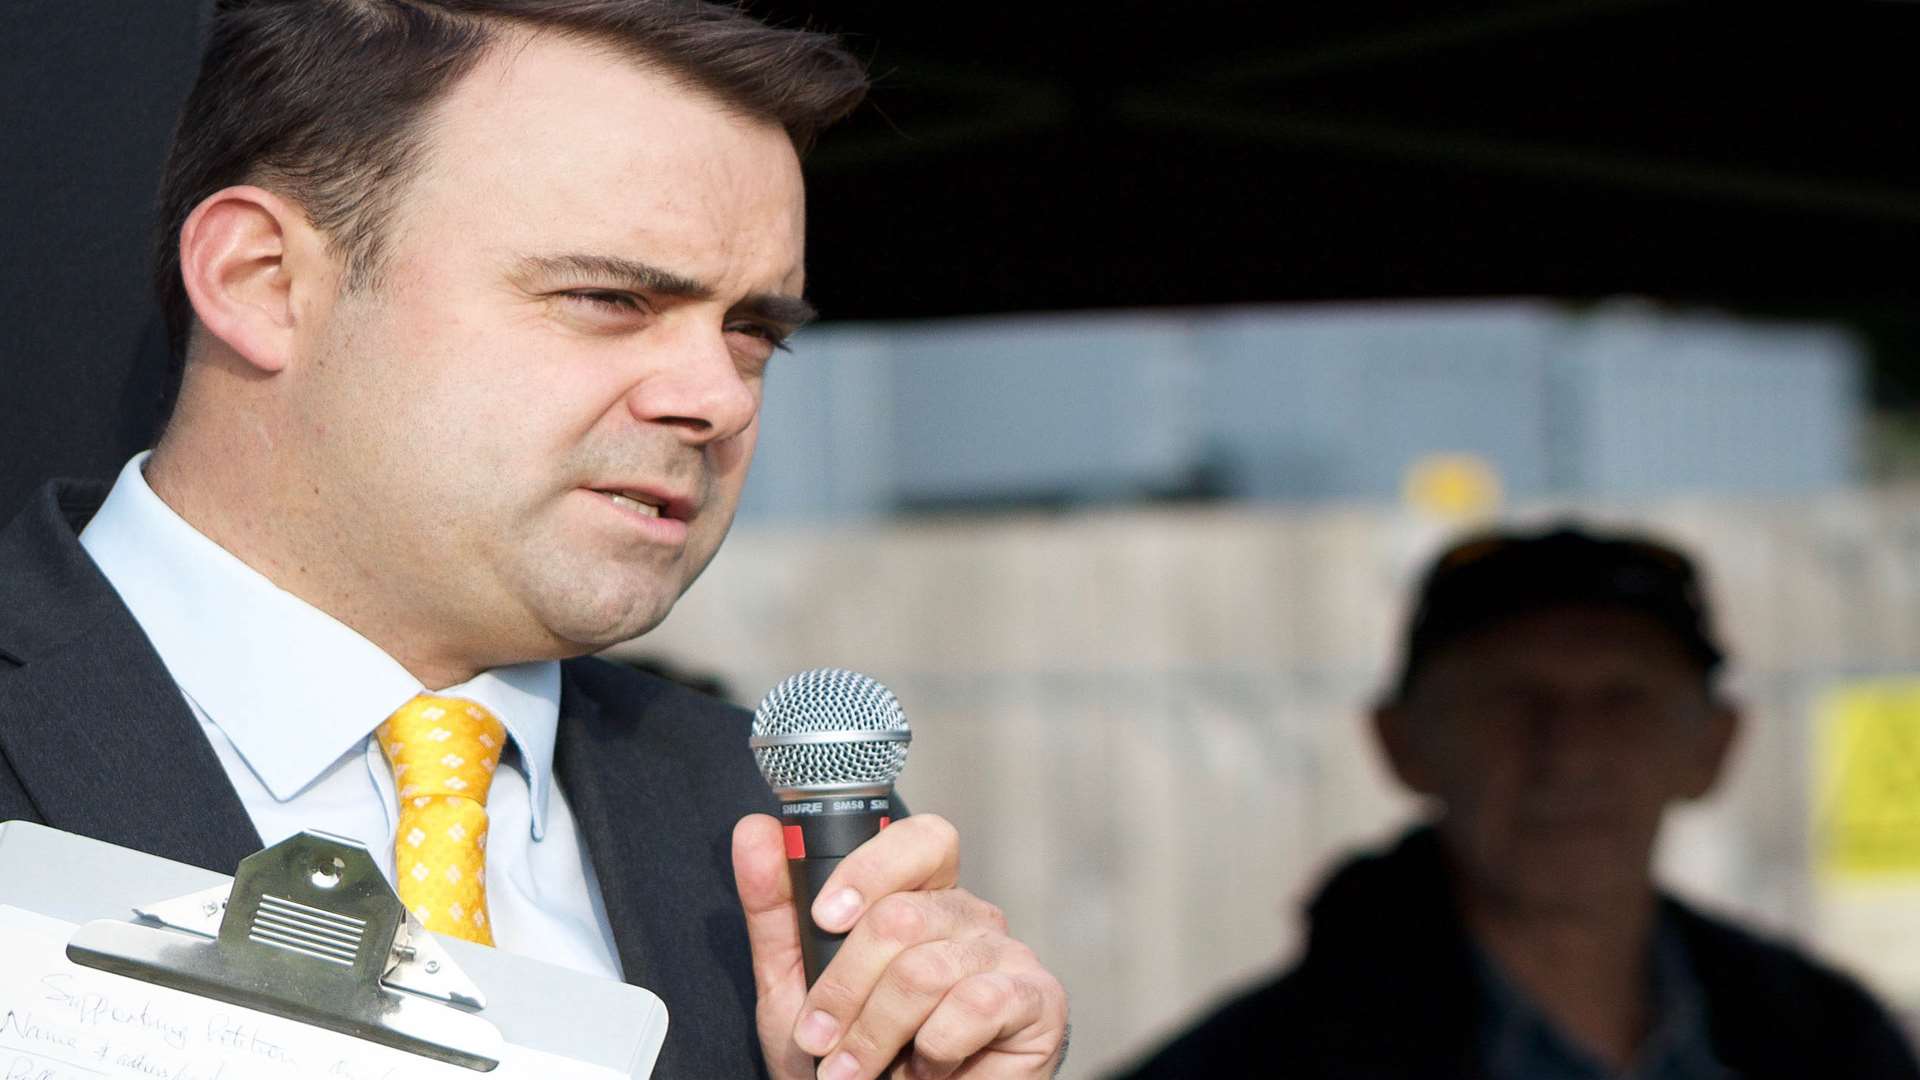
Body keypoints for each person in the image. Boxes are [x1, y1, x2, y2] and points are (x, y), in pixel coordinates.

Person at [0, 3, 1068, 1078]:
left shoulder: (762, 828)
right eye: (609, 297)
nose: (717, 399)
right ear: (262, 281)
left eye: (753, 334)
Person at [1116, 525, 1920, 1079]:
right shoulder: (1258, 1066)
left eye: (1620, 701)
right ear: (1400, 743)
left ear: (1714, 746)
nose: (1566, 753)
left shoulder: (1829, 1043)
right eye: (1507, 701)